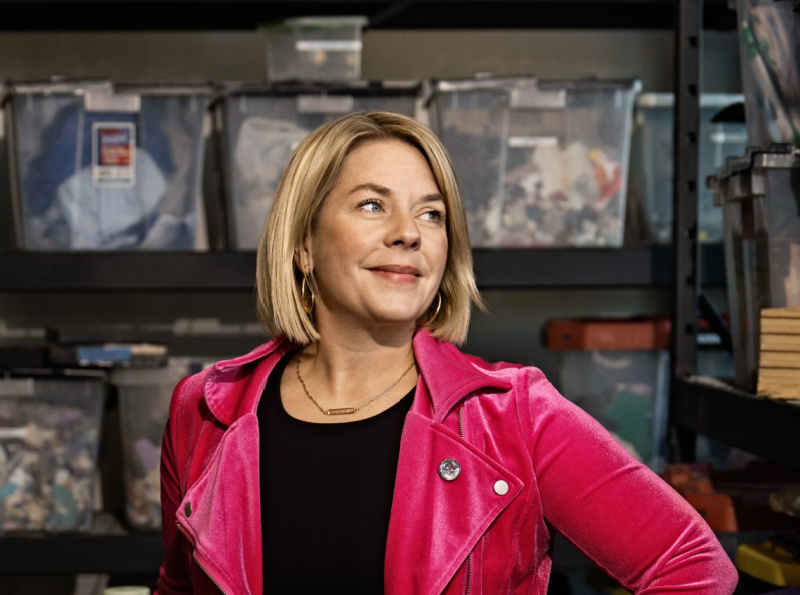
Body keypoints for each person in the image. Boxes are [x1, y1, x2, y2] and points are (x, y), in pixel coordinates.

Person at [155, 111, 738, 594]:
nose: (409, 232)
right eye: (371, 205)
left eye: (431, 214)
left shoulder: (514, 415)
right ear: (304, 244)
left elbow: (692, 567)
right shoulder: (204, 410)